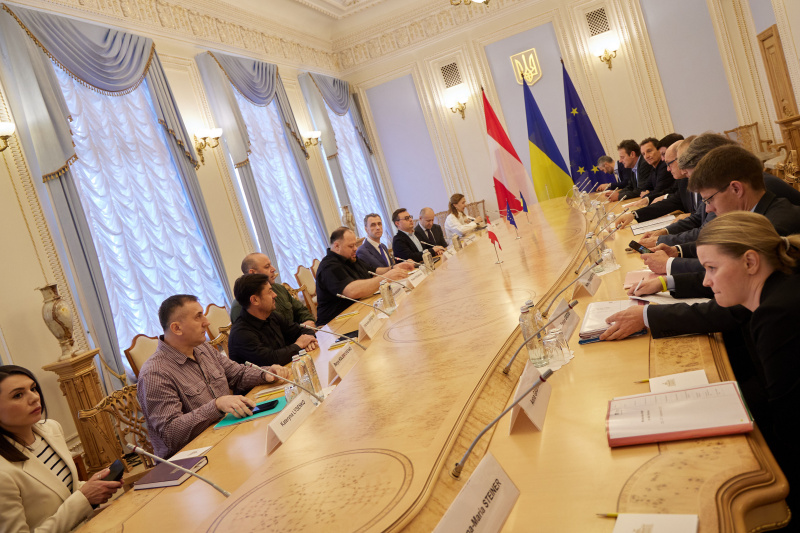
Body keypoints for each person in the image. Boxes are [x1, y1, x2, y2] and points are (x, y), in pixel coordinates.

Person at [695, 212, 799, 510]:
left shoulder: (777, 313)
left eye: (712, 268)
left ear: (750, 262)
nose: (706, 281)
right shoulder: (780, 288)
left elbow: (787, 422)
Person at [137, 295, 291, 458]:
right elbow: (171, 433)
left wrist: (266, 374)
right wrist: (216, 406)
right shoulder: (155, 373)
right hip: (191, 459)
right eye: (198, 316)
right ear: (176, 328)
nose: (206, 321)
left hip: (227, 437)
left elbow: (237, 374)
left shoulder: (203, 349)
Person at [0, 365, 122, 532]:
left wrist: (95, 486)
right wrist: (84, 499)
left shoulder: (51, 429)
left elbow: (63, 490)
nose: (34, 398)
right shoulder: (3, 472)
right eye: (18, 395)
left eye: (33, 388)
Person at [315, 227, 412, 326]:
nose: (355, 249)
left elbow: (372, 271)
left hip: (357, 311)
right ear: (336, 246)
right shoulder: (329, 267)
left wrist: (392, 268)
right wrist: (386, 277)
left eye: (355, 245)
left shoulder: (350, 258)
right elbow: (352, 291)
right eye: (351, 246)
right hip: (335, 323)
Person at [228, 274, 318, 368]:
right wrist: (299, 345)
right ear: (254, 300)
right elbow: (271, 360)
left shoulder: (271, 316)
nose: (275, 295)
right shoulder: (241, 334)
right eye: (269, 292)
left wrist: (309, 340)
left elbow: (301, 330)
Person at [230, 253, 314, 327]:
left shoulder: (279, 289)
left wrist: (308, 322)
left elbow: (300, 310)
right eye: (267, 267)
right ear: (252, 273)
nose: (273, 269)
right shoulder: (240, 305)